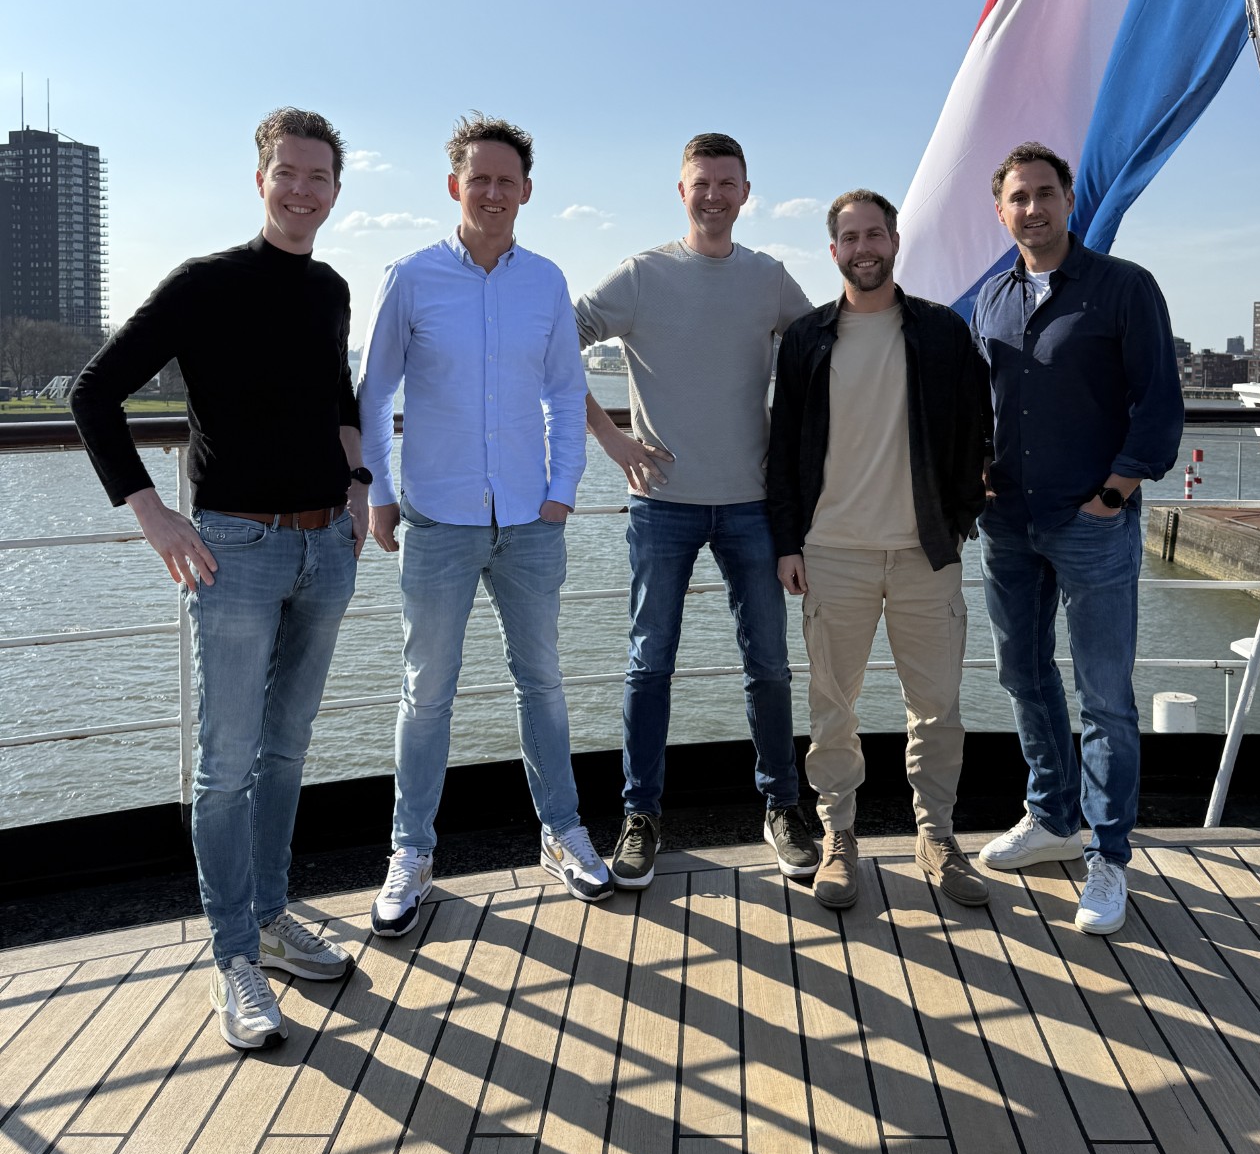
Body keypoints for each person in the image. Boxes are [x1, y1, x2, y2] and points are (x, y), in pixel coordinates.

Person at [71, 110, 366, 1052]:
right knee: (227, 763)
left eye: (319, 177)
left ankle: (273, 919)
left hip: (327, 546)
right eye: (289, 172)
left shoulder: (330, 287)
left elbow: (339, 396)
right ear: (260, 178)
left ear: (335, 191)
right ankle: (234, 954)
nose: (302, 190)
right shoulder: (205, 283)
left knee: (287, 751)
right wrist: (152, 513)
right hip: (233, 549)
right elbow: (93, 392)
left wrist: (359, 485)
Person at [358, 113, 608, 934]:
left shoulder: (547, 282)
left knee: (543, 683)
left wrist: (562, 489)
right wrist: (378, 493)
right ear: (454, 186)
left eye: (506, 180)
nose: (492, 192)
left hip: (531, 520)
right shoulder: (411, 278)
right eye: (479, 179)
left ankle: (561, 832)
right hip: (438, 519)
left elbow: (565, 391)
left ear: (526, 191)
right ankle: (411, 852)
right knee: (426, 692)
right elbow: (375, 394)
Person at [576, 131, 820, 890]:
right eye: (701, 183)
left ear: (746, 193)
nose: (714, 196)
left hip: (752, 504)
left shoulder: (769, 278)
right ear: (681, 191)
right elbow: (552, 342)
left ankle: (783, 808)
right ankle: (640, 816)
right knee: (649, 666)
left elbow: (826, 351)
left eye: (727, 183)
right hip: (661, 506)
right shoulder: (642, 275)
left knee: (769, 667)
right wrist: (611, 438)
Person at [972, 142, 1183, 935]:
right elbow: (981, 406)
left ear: (1068, 201)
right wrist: (977, 474)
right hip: (1008, 522)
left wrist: (1113, 494)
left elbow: (1158, 402)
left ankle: (1108, 855)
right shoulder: (992, 299)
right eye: (1018, 197)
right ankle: (1052, 816)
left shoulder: (1124, 287)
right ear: (1001, 212)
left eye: (1045, 193)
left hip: (1091, 522)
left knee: (1105, 697)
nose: (1033, 208)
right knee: (1023, 675)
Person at [768, 191, 990, 910]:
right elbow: (783, 448)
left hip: (925, 553)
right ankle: (839, 838)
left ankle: (938, 837)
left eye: (874, 234)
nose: (863, 248)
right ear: (833, 250)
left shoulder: (941, 331)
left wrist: (958, 521)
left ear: (894, 241)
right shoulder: (807, 338)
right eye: (849, 237)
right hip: (833, 552)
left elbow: (976, 430)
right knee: (833, 708)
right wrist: (787, 542)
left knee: (938, 707)